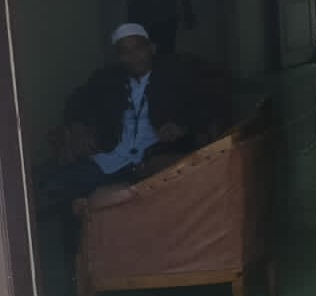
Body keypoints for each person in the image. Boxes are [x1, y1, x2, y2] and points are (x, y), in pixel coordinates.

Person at [37, 23, 210, 209]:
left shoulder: (175, 77)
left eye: (138, 48)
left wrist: (182, 127)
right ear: (118, 57)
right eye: (125, 52)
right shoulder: (106, 79)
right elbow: (76, 102)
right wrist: (77, 128)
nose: (133, 56)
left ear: (152, 48)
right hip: (110, 157)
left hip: (151, 161)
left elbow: (204, 107)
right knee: (50, 185)